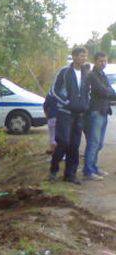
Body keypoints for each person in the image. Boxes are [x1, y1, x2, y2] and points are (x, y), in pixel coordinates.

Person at [48, 47, 91, 185]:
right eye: (80, 55)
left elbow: (87, 92)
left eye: (85, 56)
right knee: (63, 142)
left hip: (79, 114)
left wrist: (85, 104)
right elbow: (54, 90)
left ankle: (70, 175)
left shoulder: (86, 72)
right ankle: (54, 169)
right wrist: (66, 102)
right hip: (65, 113)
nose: (83, 58)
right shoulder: (64, 71)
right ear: (73, 56)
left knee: (74, 145)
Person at [83, 52, 116, 181]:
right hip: (95, 112)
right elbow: (103, 90)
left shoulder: (103, 74)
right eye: (100, 61)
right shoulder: (92, 75)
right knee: (93, 142)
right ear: (95, 61)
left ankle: (94, 167)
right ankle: (88, 170)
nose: (103, 63)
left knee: (99, 143)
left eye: (105, 61)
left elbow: (111, 92)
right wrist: (107, 90)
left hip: (104, 111)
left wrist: (107, 90)